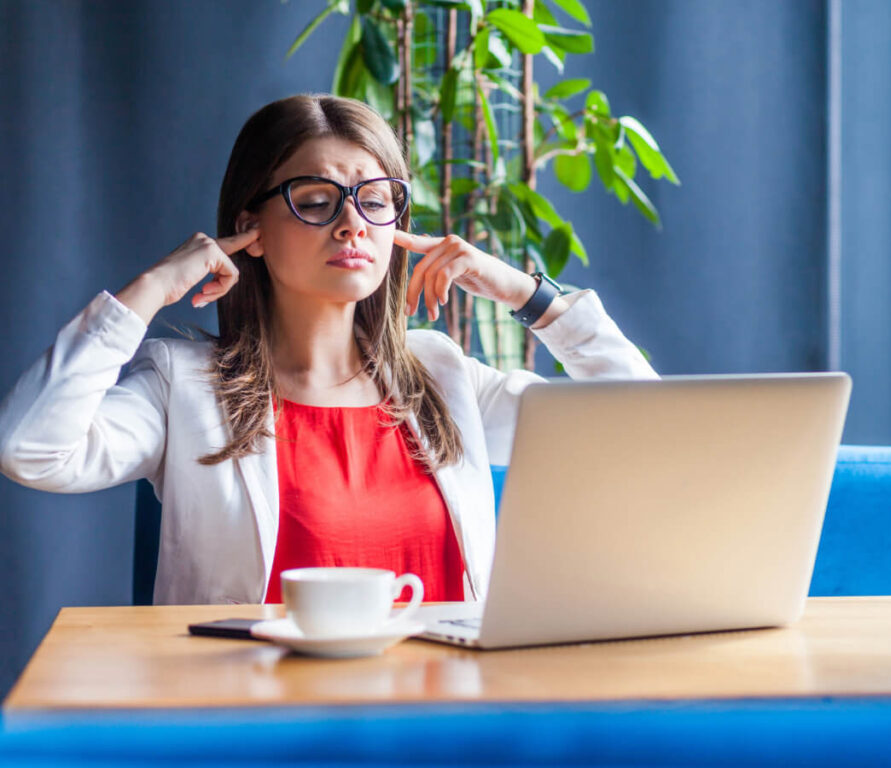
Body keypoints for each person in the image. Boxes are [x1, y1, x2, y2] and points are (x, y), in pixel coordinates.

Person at [0, 93, 658, 607]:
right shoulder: (182, 385)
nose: (352, 224)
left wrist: (526, 293)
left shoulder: (443, 375)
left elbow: (645, 427)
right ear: (249, 229)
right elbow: (29, 449)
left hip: (449, 721)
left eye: (376, 202)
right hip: (257, 727)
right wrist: (151, 290)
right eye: (315, 201)